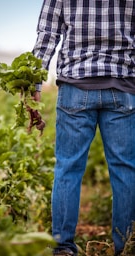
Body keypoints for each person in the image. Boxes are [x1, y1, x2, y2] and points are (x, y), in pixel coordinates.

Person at [32, 1, 135, 255]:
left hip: (75, 89)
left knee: (68, 167)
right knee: (125, 169)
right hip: (122, 87)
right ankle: (127, 245)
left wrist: (33, 87)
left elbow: (47, 35)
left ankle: (63, 247)